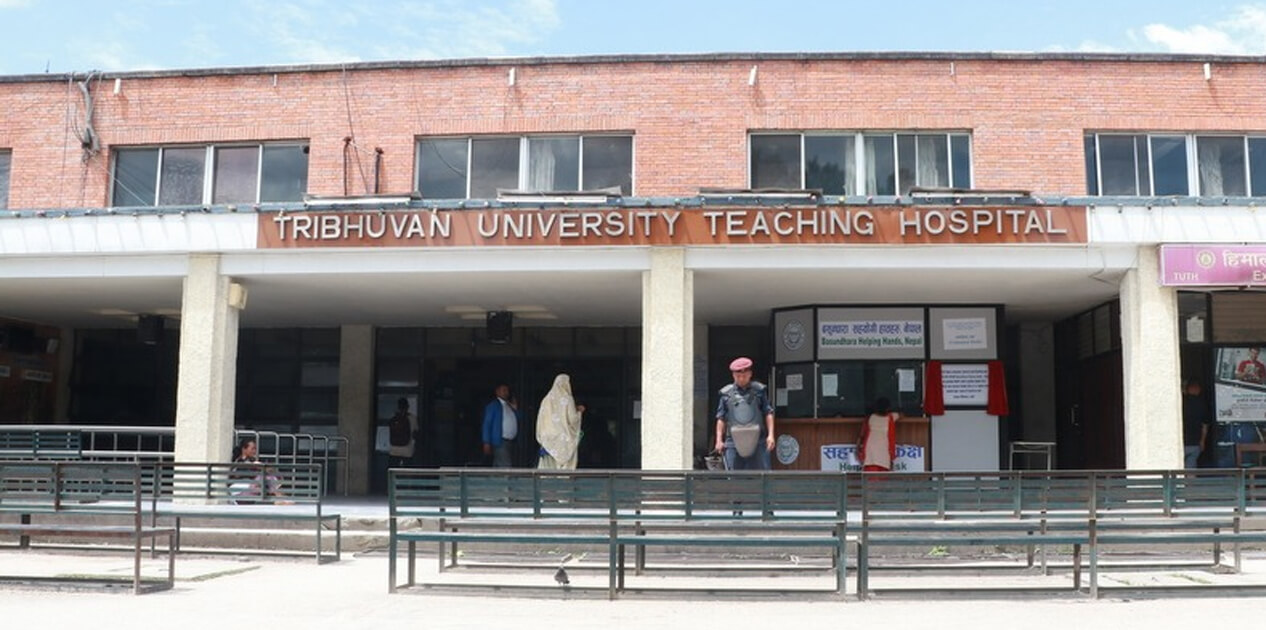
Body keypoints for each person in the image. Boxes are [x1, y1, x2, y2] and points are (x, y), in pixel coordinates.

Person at [713, 357, 775, 470]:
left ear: (750, 374)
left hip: (758, 440)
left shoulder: (759, 391)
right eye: (738, 376)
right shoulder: (726, 394)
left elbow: (768, 412)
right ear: (733, 375)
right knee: (734, 476)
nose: (741, 379)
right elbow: (720, 418)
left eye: (744, 376)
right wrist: (719, 440)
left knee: (762, 475)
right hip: (733, 441)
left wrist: (770, 435)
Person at [536, 374, 585, 470]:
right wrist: (579, 412)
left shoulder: (546, 399)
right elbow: (573, 419)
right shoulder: (567, 399)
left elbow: (540, 419)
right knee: (563, 468)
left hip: (547, 438)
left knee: (548, 468)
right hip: (563, 438)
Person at [230, 437, 287, 503]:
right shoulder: (239, 461)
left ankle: (279, 497)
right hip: (241, 490)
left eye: (255, 449)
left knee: (267, 478)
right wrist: (255, 468)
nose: (254, 451)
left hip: (251, 487)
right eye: (252, 449)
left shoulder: (252, 460)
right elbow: (238, 475)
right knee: (265, 478)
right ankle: (279, 497)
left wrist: (264, 468)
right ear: (244, 449)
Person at [482, 383, 518, 467]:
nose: (506, 393)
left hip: (511, 441)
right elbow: (487, 424)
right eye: (503, 390)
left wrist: (516, 409)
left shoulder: (509, 405)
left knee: (498, 465)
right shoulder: (493, 406)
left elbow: (519, 418)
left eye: (507, 391)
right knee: (506, 466)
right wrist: (486, 442)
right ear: (497, 392)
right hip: (500, 441)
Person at [858, 397, 898, 472]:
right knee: (882, 478)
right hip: (884, 455)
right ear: (888, 408)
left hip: (869, 454)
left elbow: (861, 436)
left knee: (870, 477)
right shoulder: (891, 417)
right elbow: (901, 415)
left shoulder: (870, 418)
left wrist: (858, 450)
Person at [1181, 380, 1212, 468]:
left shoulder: (1180, 402)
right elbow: (1205, 425)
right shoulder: (1201, 404)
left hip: (1181, 442)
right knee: (1191, 466)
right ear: (1198, 389)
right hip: (1195, 443)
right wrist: (1202, 441)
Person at [387, 397, 419, 469]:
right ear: (408, 407)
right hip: (407, 451)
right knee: (407, 472)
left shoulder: (393, 418)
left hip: (394, 451)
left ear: (398, 407)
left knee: (393, 471)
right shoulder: (412, 418)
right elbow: (415, 433)